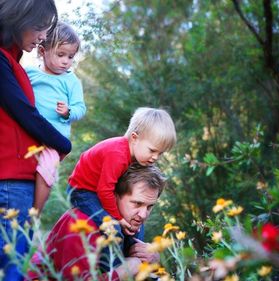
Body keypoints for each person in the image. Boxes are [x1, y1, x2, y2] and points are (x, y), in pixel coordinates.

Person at [0, 0, 72, 280]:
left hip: (15, 182)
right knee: (13, 270)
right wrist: (63, 143)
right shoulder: (2, 60)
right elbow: (24, 113)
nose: (43, 35)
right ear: (18, 19)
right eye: (40, 27)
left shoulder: (11, 61)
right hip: (10, 182)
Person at [27, 163, 165, 281]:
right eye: (137, 203)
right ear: (114, 195)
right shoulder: (81, 223)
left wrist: (153, 259)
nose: (143, 214)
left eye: (149, 206)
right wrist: (123, 271)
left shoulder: (132, 222)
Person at [68, 107, 176, 235]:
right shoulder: (117, 155)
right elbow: (104, 190)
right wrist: (118, 218)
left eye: (160, 153)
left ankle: (135, 249)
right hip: (82, 191)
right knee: (113, 229)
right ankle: (112, 255)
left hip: (100, 189)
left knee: (135, 226)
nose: (155, 157)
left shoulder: (136, 156)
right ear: (134, 138)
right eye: (152, 150)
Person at [25, 21, 86, 213]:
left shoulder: (71, 80)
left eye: (70, 56)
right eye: (61, 55)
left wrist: (68, 112)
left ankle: (36, 211)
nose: (66, 61)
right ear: (42, 51)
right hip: (30, 133)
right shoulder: (30, 74)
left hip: (54, 139)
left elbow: (80, 108)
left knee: (46, 171)